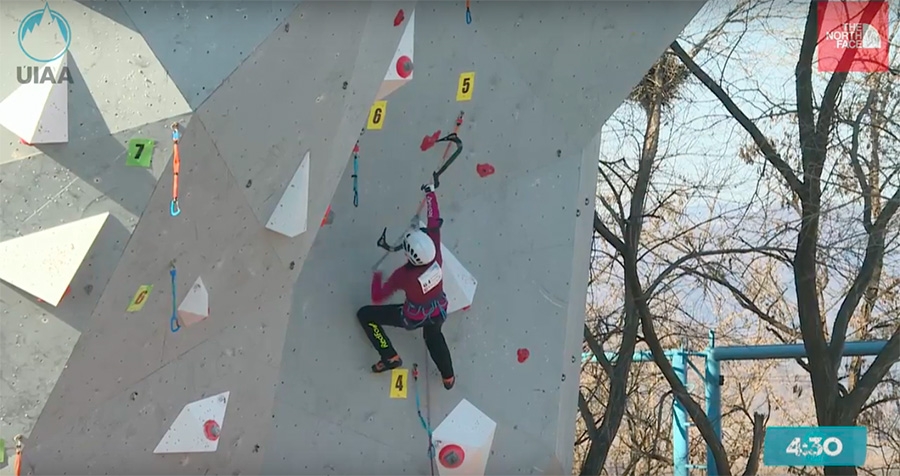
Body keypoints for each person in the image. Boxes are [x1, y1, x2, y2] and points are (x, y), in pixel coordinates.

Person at [357, 183, 455, 390]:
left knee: (366, 315)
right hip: (438, 310)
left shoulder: (402, 276)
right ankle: (448, 377)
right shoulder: (435, 255)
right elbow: (434, 220)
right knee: (434, 336)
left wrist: (377, 274)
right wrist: (430, 193)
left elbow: (377, 296)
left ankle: (389, 355)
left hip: (412, 317)